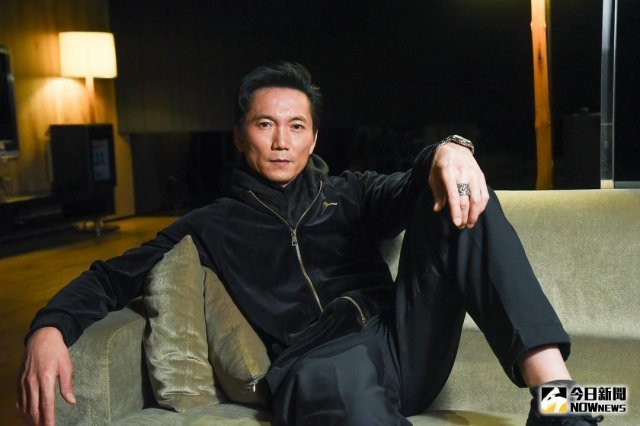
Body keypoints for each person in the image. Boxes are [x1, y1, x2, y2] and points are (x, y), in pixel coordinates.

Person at [18, 62, 603, 426]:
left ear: (313, 137)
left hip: (402, 345)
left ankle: (560, 400)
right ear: (240, 135)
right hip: (317, 363)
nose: (281, 141)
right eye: (265, 124)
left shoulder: (350, 193)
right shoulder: (211, 224)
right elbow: (110, 277)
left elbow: (411, 186)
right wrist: (48, 328)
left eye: (296, 126)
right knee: (339, 374)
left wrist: (450, 150)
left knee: (460, 194)